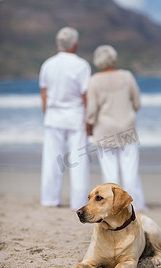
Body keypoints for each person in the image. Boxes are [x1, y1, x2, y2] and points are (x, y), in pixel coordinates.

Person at [86, 45, 146, 211]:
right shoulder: (127, 76)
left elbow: (92, 109)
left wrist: (89, 124)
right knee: (130, 170)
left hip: (104, 129)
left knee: (109, 171)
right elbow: (137, 103)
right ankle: (136, 205)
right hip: (126, 129)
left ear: (98, 62)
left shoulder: (94, 80)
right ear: (113, 59)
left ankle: (112, 207)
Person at [39, 27, 91, 210]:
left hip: (53, 117)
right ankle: (78, 202)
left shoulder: (47, 64)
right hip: (76, 117)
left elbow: (44, 94)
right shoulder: (82, 65)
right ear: (75, 44)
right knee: (78, 160)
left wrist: (48, 114)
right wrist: (89, 119)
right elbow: (85, 96)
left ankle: (49, 199)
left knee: (51, 160)